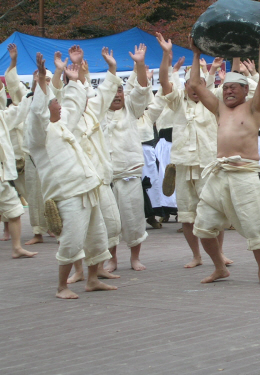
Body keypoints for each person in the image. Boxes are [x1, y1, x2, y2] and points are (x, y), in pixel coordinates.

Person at [188, 31, 260, 285]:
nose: (227, 92)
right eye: (225, 88)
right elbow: (195, 85)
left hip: (245, 174)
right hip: (219, 174)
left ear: (245, 90)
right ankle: (220, 268)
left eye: (232, 88)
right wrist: (195, 54)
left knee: (254, 227)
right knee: (202, 227)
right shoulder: (219, 108)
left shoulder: (254, 107)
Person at [27, 53, 117, 298]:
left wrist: (76, 81)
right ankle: (61, 286)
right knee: (72, 239)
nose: (59, 103)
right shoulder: (38, 135)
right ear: (47, 108)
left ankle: (92, 280)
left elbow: (75, 105)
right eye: (55, 101)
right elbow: (37, 113)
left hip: (87, 186)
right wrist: (45, 82)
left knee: (97, 235)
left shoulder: (63, 121)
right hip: (67, 193)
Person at [154, 32, 232, 268]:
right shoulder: (177, 101)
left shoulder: (213, 101)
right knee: (187, 215)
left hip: (208, 165)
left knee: (214, 213)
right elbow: (164, 80)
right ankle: (197, 256)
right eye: (189, 84)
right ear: (185, 85)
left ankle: (219, 255)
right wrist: (167, 55)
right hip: (183, 165)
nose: (193, 88)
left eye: (197, 84)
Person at [101, 44, 151, 272]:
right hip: (106, 177)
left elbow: (141, 88)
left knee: (133, 219)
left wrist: (139, 64)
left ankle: (135, 257)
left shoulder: (131, 108)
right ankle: (112, 259)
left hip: (129, 174)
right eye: (113, 91)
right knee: (110, 222)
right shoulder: (97, 112)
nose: (118, 95)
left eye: (120, 91)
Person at [0, 72, 37, 259]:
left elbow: (20, 110)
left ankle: (16, 247)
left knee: (14, 209)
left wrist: (33, 92)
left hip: (3, 173)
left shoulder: (3, 117)